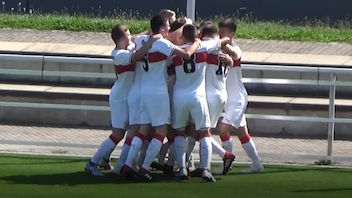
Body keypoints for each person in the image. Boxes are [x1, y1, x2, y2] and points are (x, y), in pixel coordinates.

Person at [120, 15, 201, 181]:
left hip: (144, 90)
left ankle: (128, 165)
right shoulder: (163, 43)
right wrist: (197, 43)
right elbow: (186, 55)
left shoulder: (142, 40)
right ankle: (144, 168)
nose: (169, 29)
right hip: (158, 91)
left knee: (143, 129)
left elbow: (139, 41)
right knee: (161, 131)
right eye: (167, 26)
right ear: (162, 28)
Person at [85, 25, 160, 176]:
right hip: (120, 97)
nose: (131, 37)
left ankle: (115, 163)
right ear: (121, 38)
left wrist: (153, 31)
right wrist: (151, 41)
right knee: (118, 133)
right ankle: (92, 164)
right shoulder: (118, 54)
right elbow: (136, 56)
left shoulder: (128, 47)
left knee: (132, 129)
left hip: (128, 95)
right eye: (128, 34)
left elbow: (138, 40)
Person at [218, 19, 264, 173]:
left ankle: (227, 161)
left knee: (223, 129)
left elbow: (235, 54)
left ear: (231, 34)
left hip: (237, 98)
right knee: (242, 133)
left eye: (223, 32)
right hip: (229, 99)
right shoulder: (217, 48)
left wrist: (221, 45)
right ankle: (257, 164)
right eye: (219, 31)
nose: (220, 34)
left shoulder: (235, 48)